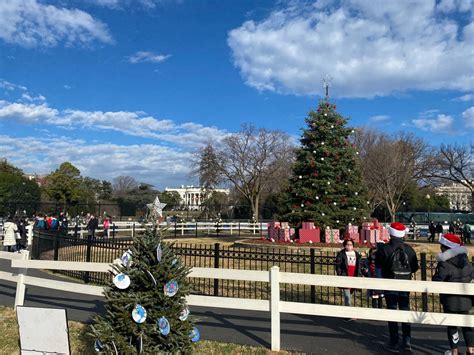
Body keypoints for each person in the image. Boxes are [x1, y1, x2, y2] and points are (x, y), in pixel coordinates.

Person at [376, 222, 419, 352]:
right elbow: (415, 267)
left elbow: (378, 265)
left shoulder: (384, 249)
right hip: (405, 284)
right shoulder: (409, 249)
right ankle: (407, 341)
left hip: (390, 283)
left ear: (391, 233)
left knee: (392, 312)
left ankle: (393, 341)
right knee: (405, 311)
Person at [432, 233, 473, 355]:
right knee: (467, 325)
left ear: (446, 247)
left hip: (450, 300)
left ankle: (454, 351)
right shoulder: (467, 262)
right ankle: (471, 349)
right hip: (466, 299)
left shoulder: (444, 264)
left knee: (452, 325)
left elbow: (437, 281)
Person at [336, 238, 362, 321]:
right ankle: (348, 315)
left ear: (353, 246)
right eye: (347, 244)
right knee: (347, 296)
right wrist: (340, 275)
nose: (349, 246)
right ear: (344, 245)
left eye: (350, 245)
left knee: (350, 295)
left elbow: (359, 266)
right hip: (346, 276)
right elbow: (338, 266)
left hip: (354, 276)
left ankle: (349, 313)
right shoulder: (341, 254)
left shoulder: (356, 254)